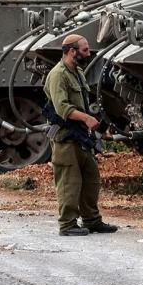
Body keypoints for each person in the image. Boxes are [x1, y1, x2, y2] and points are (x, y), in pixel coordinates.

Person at [44, 34, 118, 237]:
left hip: (82, 138)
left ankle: (92, 220)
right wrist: (86, 119)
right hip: (66, 138)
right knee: (69, 182)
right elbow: (62, 108)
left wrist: (98, 125)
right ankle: (67, 224)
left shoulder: (77, 72)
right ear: (71, 51)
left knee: (91, 179)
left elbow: (84, 102)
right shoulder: (58, 74)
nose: (89, 53)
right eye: (85, 50)